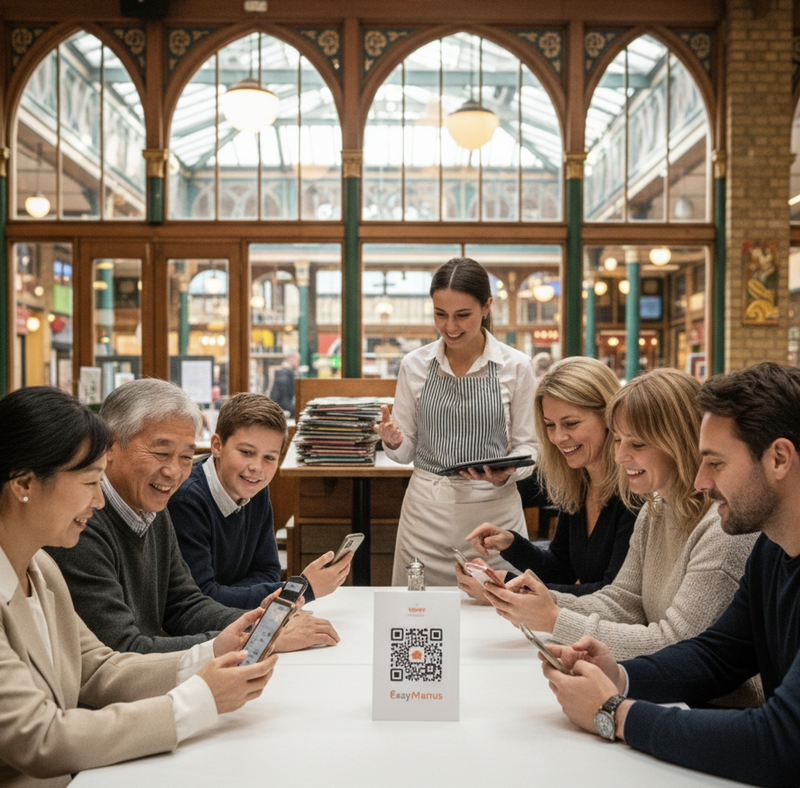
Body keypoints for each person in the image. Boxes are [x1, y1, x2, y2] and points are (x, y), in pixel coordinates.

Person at [0, 387, 277, 788]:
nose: (98, 500)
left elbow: (98, 667)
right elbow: (41, 738)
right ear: (24, 482)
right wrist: (196, 701)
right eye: (89, 481)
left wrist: (214, 653)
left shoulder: (40, 568)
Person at [542, 362, 800, 787]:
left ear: (778, 458)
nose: (700, 480)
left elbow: (779, 741)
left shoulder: (748, 537)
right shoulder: (772, 546)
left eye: (715, 463)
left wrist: (615, 713)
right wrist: (620, 675)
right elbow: (718, 654)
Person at [482, 368, 758, 667]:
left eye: (637, 443)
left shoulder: (722, 529)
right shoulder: (657, 510)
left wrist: (554, 618)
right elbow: (622, 600)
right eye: (618, 440)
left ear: (680, 441)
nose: (619, 456)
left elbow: (676, 644)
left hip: (715, 706)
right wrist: (546, 604)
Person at [47, 378, 338, 655]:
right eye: (161, 453)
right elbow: (122, 651)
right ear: (110, 445)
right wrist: (258, 638)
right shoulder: (80, 525)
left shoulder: (152, 507)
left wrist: (265, 625)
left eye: (186, 457)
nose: (174, 472)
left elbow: (185, 605)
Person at [376, 257, 537, 586]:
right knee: (417, 616)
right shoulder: (414, 365)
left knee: (499, 619)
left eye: (463, 315)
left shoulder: (517, 366)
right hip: (425, 518)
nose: (450, 327)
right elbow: (406, 452)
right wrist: (393, 441)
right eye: (440, 314)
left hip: (493, 520)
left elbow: (531, 447)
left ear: (487, 307)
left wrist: (511, 471)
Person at [458, 357, 636, 602]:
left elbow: (612, 595)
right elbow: (562, 569)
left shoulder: (634, 490)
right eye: (549, 425)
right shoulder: (579, 483)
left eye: (571, 423)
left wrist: (510, 586)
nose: (559, 437)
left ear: (609, 417)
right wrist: (511, 543)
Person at [168, 392, 353, 608]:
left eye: (269, 458)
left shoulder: (254, 487)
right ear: (217, 446)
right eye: (246, 452)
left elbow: (268, 570)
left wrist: (228, 595)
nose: (257, 468)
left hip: (234, 621)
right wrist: (301, 589)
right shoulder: (186, 500)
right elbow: (201, 600)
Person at [270, 351, 300, 416]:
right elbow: (285, 401)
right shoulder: (285, 375)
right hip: (280, 412)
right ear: (292, 359)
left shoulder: (283, 373)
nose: (298, 364)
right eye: (298, 360)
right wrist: (300, 409)